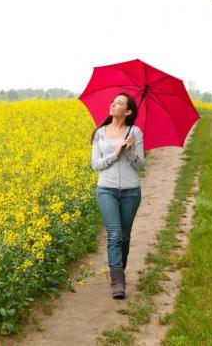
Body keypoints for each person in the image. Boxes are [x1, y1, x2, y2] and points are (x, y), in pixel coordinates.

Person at [89, 92, 145, 299]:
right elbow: (95, 165)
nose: (113, 104)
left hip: (131, 191)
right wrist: (116, 153)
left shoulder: (135, 132)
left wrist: (129, 151)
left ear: (128, 111)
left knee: (125, 237)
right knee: (114, 234)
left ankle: (118, 269)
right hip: (106, 189)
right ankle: (118, 282)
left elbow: (141, 165)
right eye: (113, 101)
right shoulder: (100, 133)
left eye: (119, 103)